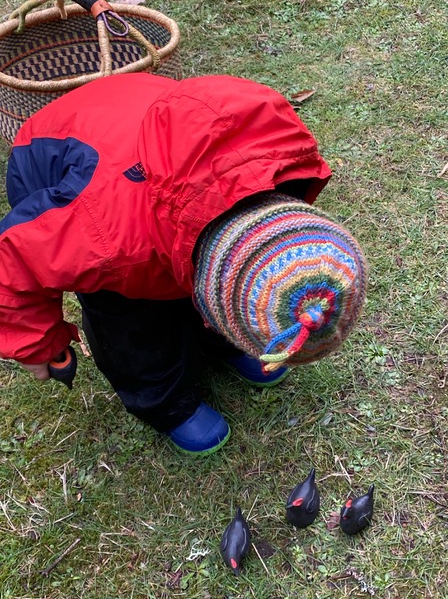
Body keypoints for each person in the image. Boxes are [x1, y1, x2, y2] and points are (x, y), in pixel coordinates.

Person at [0, 73, 367, 456]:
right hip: (51, 155)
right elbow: (15, 258)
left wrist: (251, 317)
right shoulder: (108, 244)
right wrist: (36, 344)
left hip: (144, 118)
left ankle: (222, 341)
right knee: (130, 322)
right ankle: (165, 401)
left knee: (190, 286)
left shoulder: (284, 163)